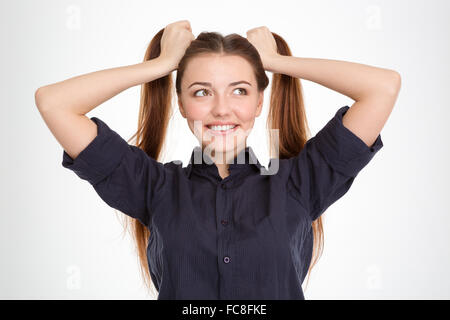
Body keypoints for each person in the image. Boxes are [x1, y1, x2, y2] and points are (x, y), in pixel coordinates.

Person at [34, 20, 401, 300]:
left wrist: (275, 61)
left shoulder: (299, 183)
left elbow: (382, 88)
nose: (222, 108)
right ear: (181, 103)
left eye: (239, 90)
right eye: (201, 92)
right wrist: (160, 66)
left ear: (259, 101)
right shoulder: (154, 187)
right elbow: (55, 103)